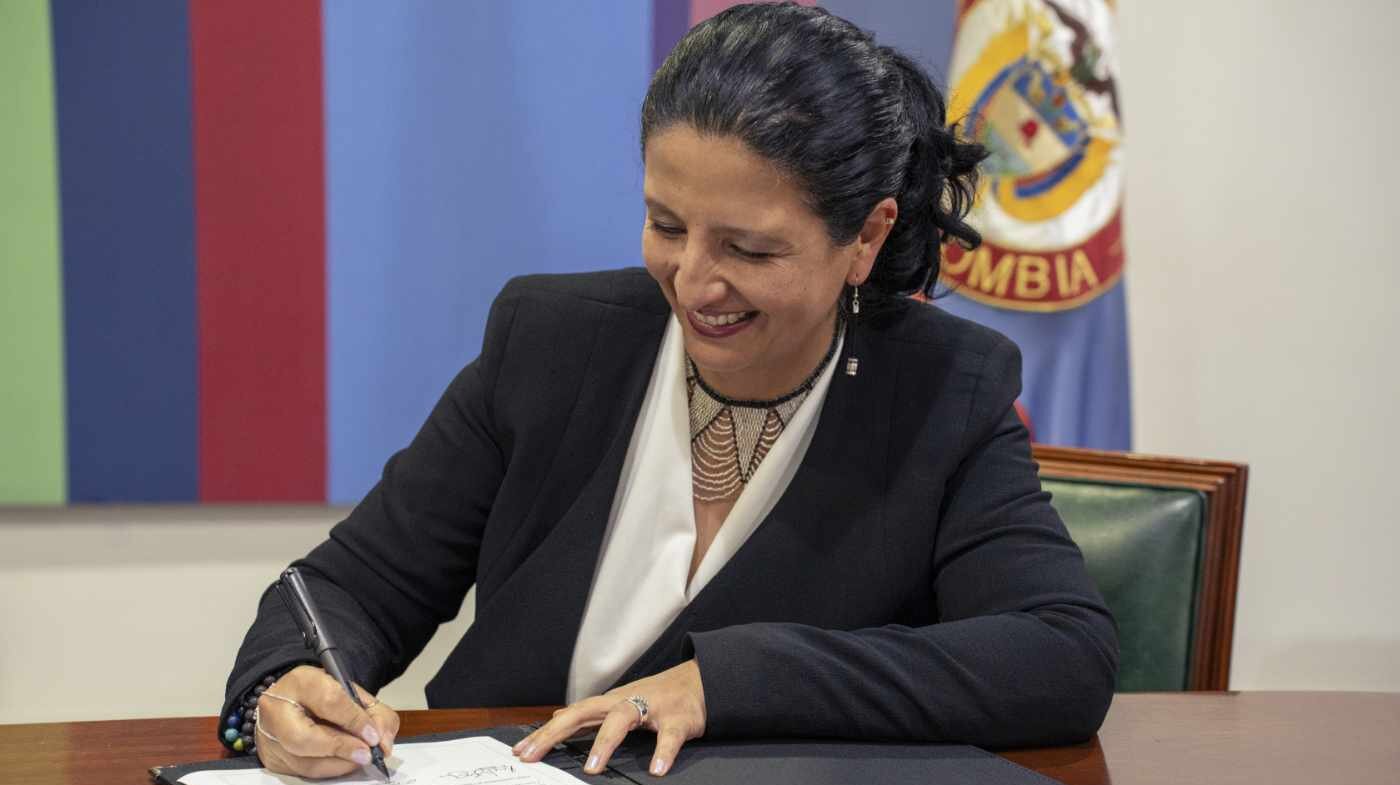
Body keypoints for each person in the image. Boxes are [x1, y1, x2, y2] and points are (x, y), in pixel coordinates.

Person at [222, 3, 1118, 779]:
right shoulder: (553, 341)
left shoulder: (942, 390)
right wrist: (287, 684)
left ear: (866, 238)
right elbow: (353, 585)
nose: (692, 280)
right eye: (665, 225)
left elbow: (1060, 654)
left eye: (748, 248)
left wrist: (725, 682)